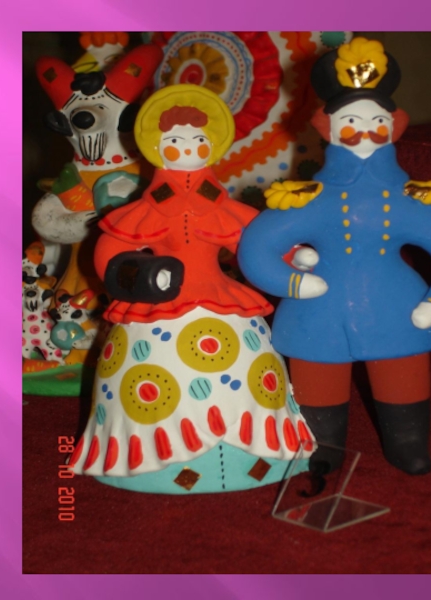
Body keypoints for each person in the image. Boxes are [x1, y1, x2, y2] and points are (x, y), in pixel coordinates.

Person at [238, 38, 431, 475]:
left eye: (377, 120)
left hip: (397, 307)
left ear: (396, 125)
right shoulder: (310, 198)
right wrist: (293, 282)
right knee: (317, 370)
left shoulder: (411, 197)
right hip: (319, 308)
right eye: (351, 120)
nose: (364, 130)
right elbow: (257, 246)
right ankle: (322, 445)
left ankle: (408, 442)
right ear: (326, 126)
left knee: (402, 371)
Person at [69, 84, 312, 493]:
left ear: (212, 146)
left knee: (249, 374)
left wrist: (293, 256)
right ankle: (148, 461)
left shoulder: (221, 207)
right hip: (155, 305)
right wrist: (138, 276)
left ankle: (258, 451)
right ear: (156, 147)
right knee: (148, 379)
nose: (187, 148)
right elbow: (112, 249)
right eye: (175, 142)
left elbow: (254, 244)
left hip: (222, 301)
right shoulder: (146, 208)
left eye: (198, 141)